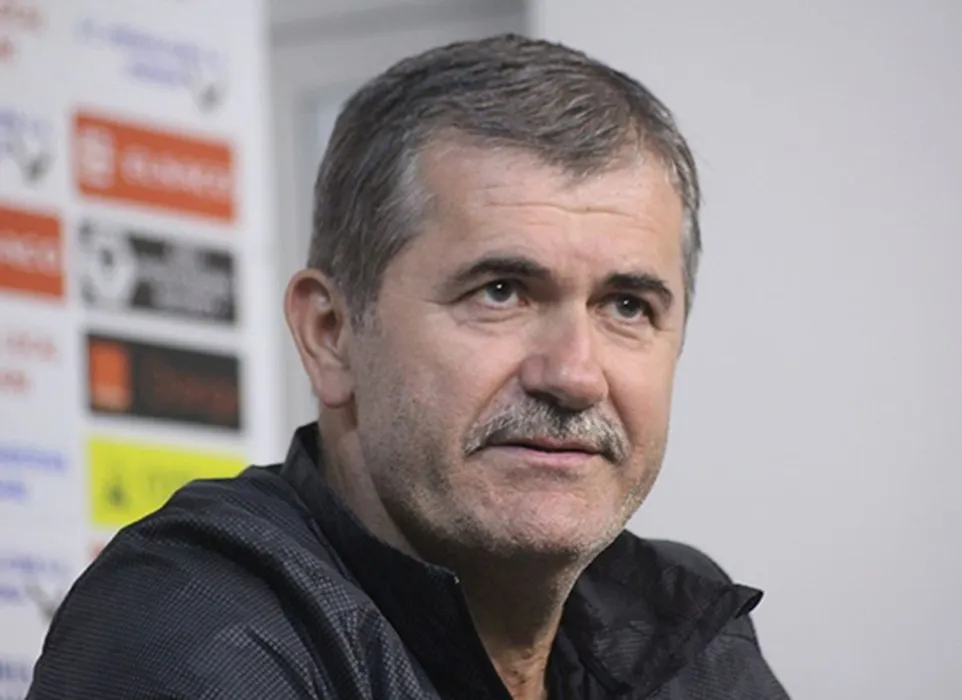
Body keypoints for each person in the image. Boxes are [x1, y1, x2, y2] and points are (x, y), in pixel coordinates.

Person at [28, 34, 790, 699]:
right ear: (331, 335)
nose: (574, 376)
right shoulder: (191, 626)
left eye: (627, 306)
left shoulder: (682, 632)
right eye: (501, 292)